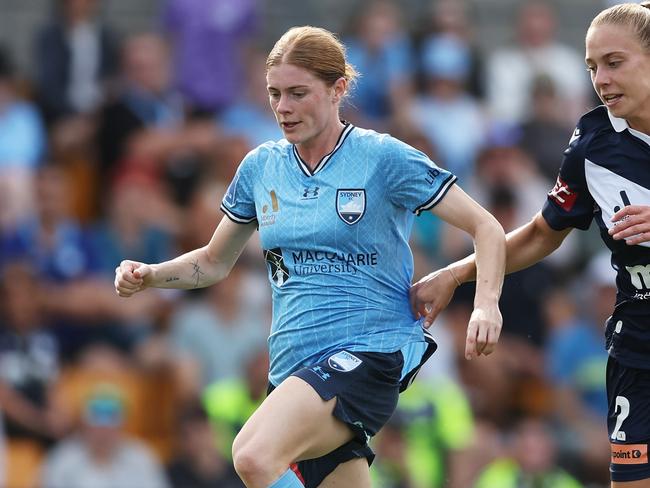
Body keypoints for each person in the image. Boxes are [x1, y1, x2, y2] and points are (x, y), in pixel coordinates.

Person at [115, 26, 506, 488]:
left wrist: (485, 303)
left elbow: (487, 227)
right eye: (275, 94)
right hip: (294, 370)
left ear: (338, 88)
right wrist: (152, 275)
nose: (283, 108)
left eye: (298, 93)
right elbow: (214, 262)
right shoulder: (261, 167)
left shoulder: (382, 158)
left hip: (367, 355)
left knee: (252, 455)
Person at [410, 3, 650, 486]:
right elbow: (542, 233)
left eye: (614, 62)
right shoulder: (593, 143)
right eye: (591, 67)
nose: (600, 79)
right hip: (638, 346)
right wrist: (456, 274)